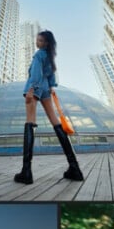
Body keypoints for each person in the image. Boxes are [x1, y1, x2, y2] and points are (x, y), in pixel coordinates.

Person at [14, 29, 83, 184]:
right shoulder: (50, 57)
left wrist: (32, 90)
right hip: (46, 88)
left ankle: (26, 172)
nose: (36, 42)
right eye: (37, 40)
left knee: (30, 121)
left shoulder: (39, 55)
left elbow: (36, 75)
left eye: (39, 40)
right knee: (56, 122)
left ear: (45, 43)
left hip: (35, 87)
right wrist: (50, 87)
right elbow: (51, 75)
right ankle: (75, 168)